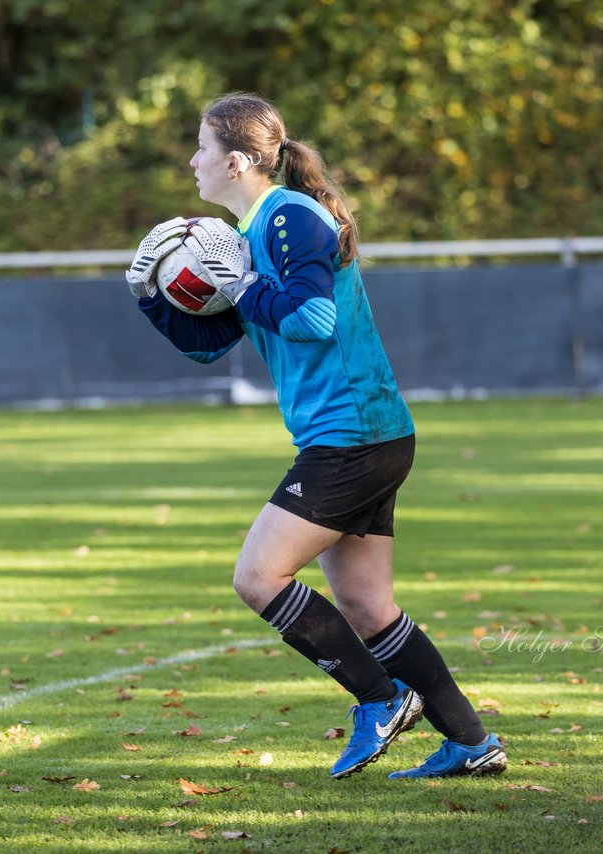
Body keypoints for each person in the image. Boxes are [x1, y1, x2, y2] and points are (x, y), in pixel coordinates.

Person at [126, 93, 506, 779]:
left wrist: (243, 287)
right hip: (363, 436)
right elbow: (212, 344)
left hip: (351, 436)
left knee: (257, 576)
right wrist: (152, 300)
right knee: (368, 606)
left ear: (236, 161)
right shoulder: (253, 233)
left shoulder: (290, 219)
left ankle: (381, 700)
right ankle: (473, 743)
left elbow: (313, 319)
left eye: (202, 149)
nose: (192, 161)